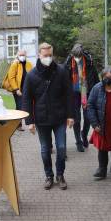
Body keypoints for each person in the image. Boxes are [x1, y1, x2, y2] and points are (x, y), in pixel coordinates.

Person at [22, 43, 74, 190]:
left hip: (59, 117)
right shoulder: (31, 75)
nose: (48, 58)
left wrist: (70, 115)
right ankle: (49, 176)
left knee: (62, 148)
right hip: (41, 118)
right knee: (45, 149)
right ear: (39, 55)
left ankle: (60, 175)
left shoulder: (61, 71)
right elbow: (26, 99)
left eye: (50, 55)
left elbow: (69, 95)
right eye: (45, 56)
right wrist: (30, 121)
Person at [64, 43, 100, 152]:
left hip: (85, 91)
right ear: (72, 54)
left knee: (88, 117)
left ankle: (84, 135)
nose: (77, 59)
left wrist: (96, 92)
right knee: (76, 118)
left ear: (82, 55)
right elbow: (64, 79)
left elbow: (95, 78)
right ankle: (78, 141)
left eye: (79, 57)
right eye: (76, 56)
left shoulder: (89, 62)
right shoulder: (68, 63)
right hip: (73, 92)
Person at [2, 49, 33, 130]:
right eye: (20, 55)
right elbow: (11, 77)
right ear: (17, 56)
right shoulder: (15, 64)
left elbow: (32, 75)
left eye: (23, 55)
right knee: (20, 106)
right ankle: (18, 125)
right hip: (17, 89)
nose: (22, 56)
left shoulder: (29, 64)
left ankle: (18, 123)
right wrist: (16, 89)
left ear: (26, 55)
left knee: (26, 106)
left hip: (27, 89)